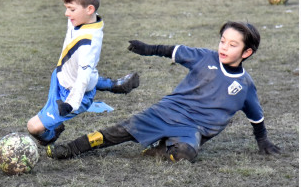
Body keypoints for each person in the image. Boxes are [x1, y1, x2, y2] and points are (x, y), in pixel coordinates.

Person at [47, 21, 282, 163]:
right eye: (223, 41)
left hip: (192, 129)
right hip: (165, 112)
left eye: (233, 45)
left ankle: (160, 149)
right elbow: (174, 51)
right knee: (117, 132)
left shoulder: (245, 85)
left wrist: (263, 141)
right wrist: (147, 49)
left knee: (184, 155)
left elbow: (256, 117)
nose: (224, 47)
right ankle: (69, 149)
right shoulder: (204, 58)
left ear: (247, 53)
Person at [26, 0, 140, 146]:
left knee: (33, 127)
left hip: (72, 96)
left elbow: (82, 80)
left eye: (70, 9)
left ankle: (52, 135)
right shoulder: (81, 18)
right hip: (61, 77)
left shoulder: (88, 45)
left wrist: (70, 104)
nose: (66, 14)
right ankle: (114, 85)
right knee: (84, 73)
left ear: (89, 9)